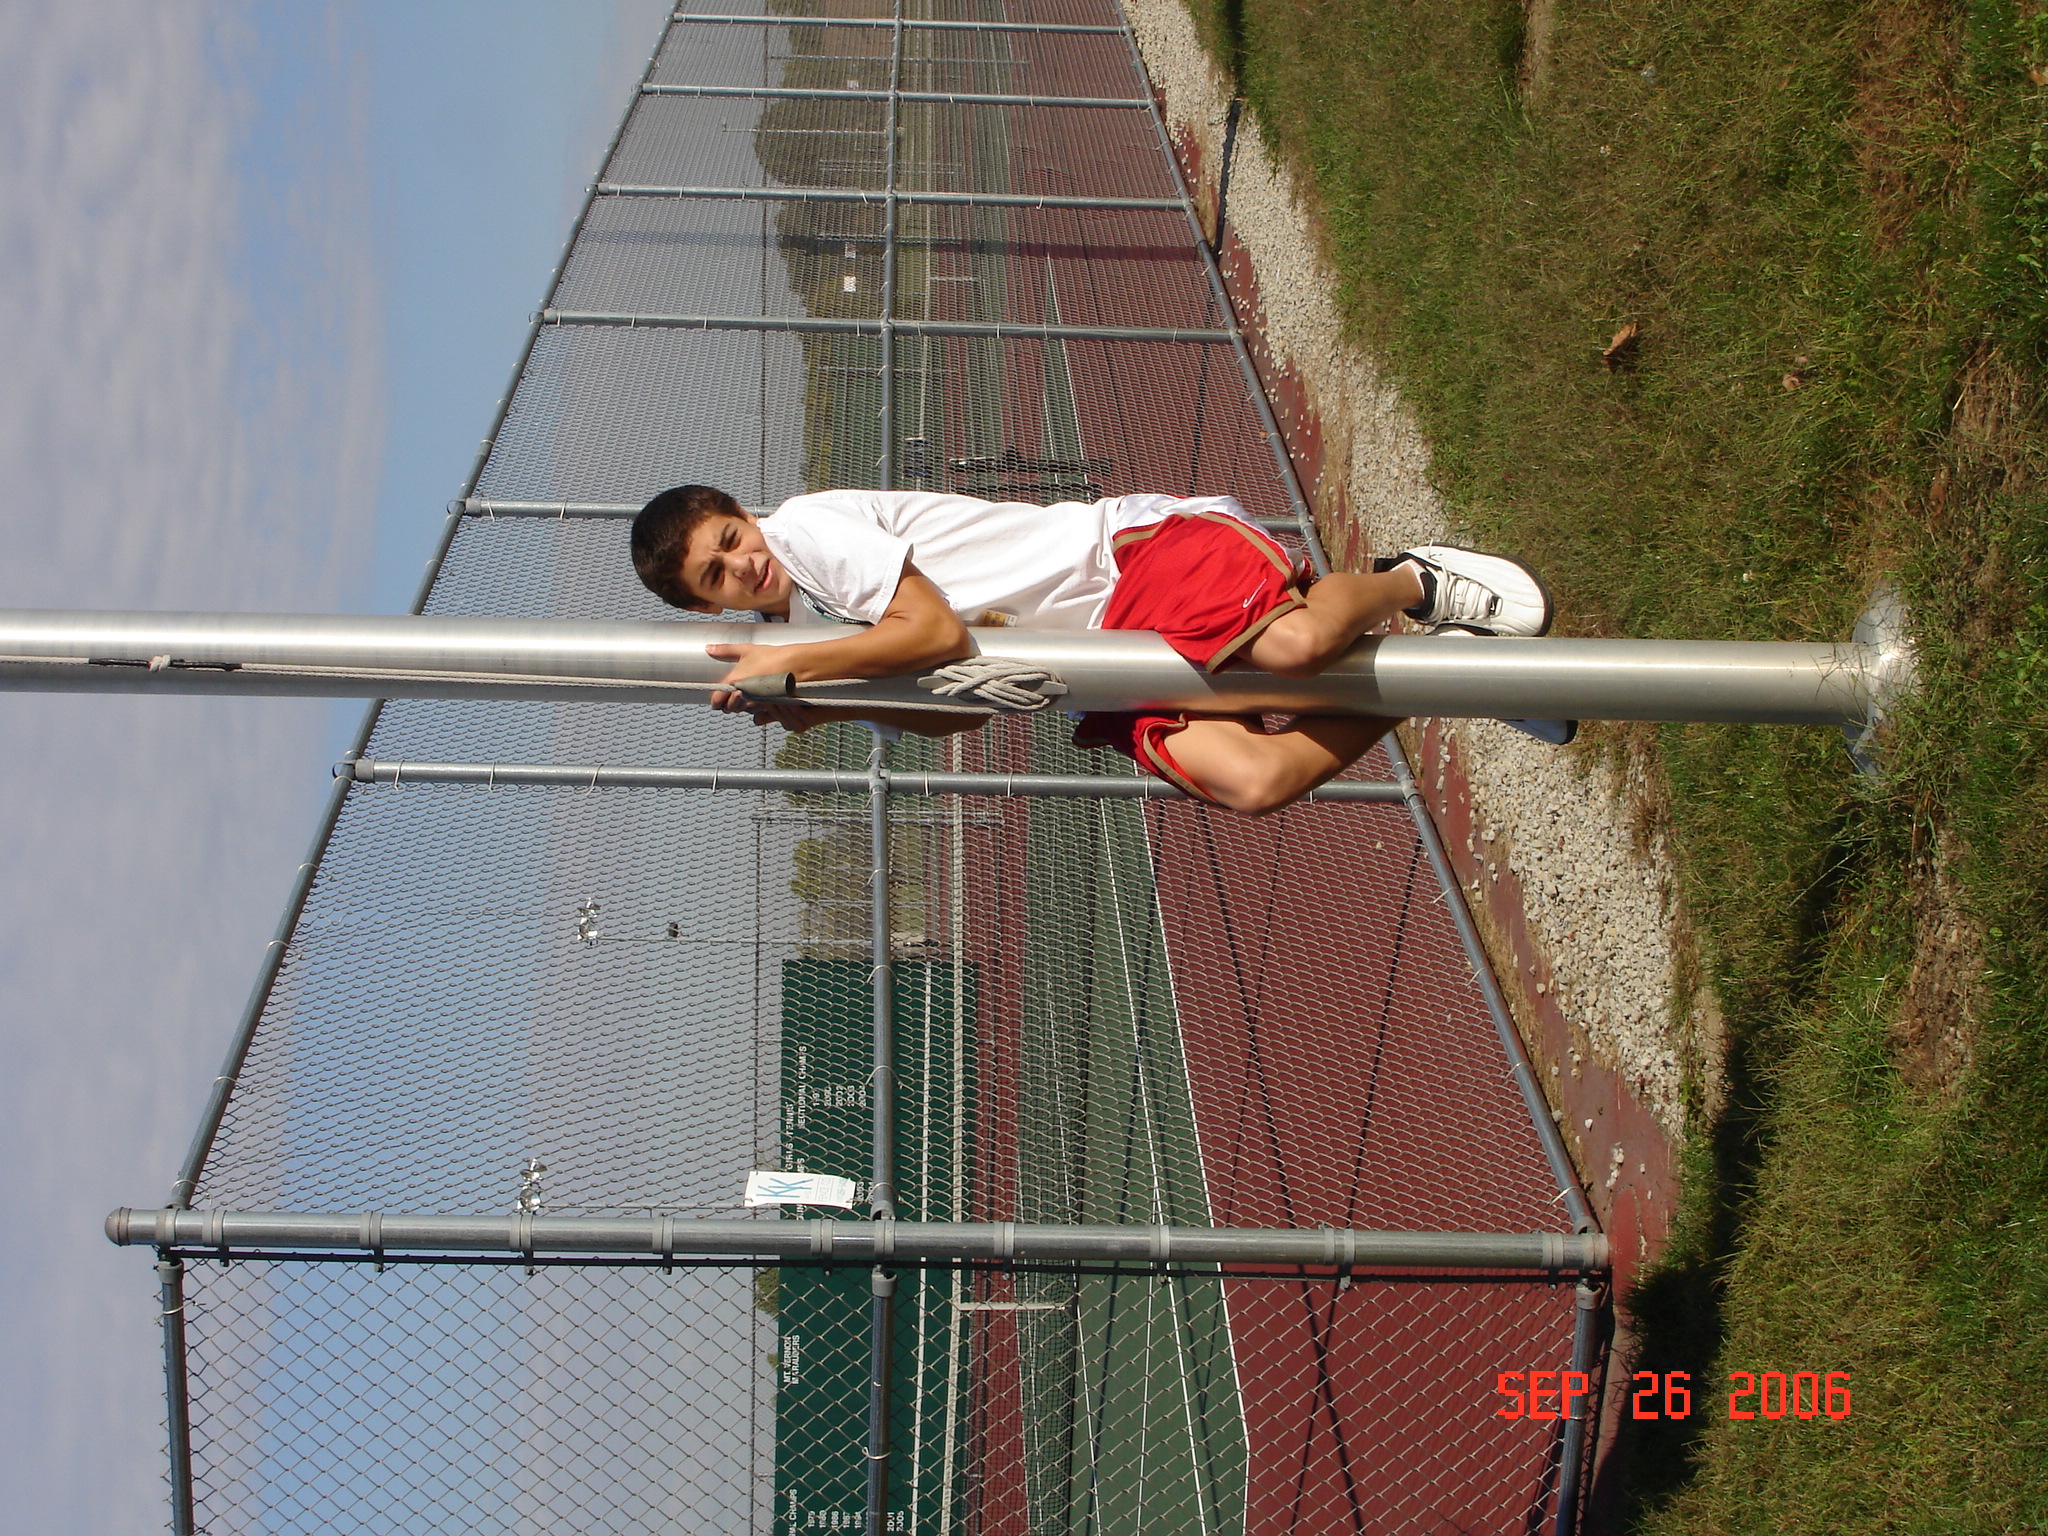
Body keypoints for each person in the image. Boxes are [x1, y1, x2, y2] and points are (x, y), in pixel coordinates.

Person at [629, 484, 1552, 815]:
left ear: (745, 513)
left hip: (1125, 564)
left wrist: (798, 672)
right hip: (1096, 664)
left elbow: (937, 634)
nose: (741, 565)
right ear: (705, 602)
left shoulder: (807, 533)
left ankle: (1416, 581)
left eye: (730, 538)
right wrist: (823, 708)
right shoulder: (808, 639)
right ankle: (1450, 673)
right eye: (716, 576)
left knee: (1298, 644)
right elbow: (956, 716)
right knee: (1255, 781)